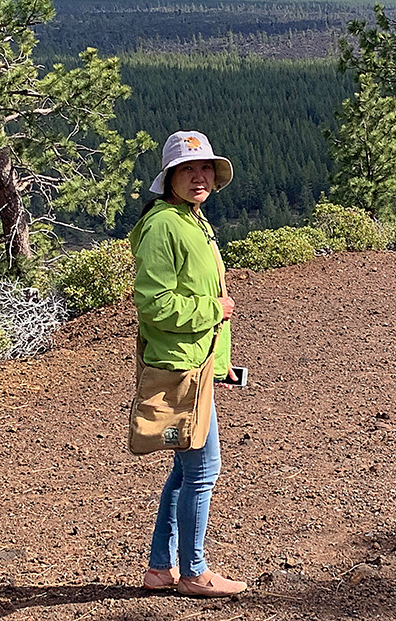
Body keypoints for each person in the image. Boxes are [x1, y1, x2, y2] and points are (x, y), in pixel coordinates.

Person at [129, 130, 248, 598]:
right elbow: (154, 305)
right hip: (179, 366)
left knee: (185, 471)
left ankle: (161, 569)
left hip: (196, 365)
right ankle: (194, 571)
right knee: (202, 470)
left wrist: (221, 368)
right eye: (188, 169)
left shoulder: (190, 220)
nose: (199, 177)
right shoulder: (165, 226)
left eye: (204, 169)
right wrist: (213, 309)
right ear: (170, 177)